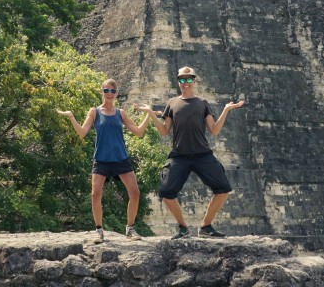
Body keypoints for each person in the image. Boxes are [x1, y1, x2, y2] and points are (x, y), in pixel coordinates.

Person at [135, 65, 245, 239]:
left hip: (202, 154)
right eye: (182, 79)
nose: (185, 83)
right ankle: (183, 228)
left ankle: (206, 227)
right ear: (178, 81)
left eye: (188, 79)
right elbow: (164, 131)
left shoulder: (202, 104)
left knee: (223, 189)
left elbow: (214, 130)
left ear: (194, 81)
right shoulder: (172, 103)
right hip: (180, 156)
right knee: (166, 192)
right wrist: (150, 113)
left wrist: (226, 110)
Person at [57, 78, 149, 242]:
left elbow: (138, 132)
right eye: (106, 90)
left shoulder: (121, 113)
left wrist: (148, 114)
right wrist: (71, 116)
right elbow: (82, 132)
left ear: (116, 94)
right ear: (102, 92)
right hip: (101, 160)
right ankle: (99, 230)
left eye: (112, 91)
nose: (109, 94)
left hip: (121, 159)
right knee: (95, 194)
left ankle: (130, 229)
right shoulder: (94, 112)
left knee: (135, 193)